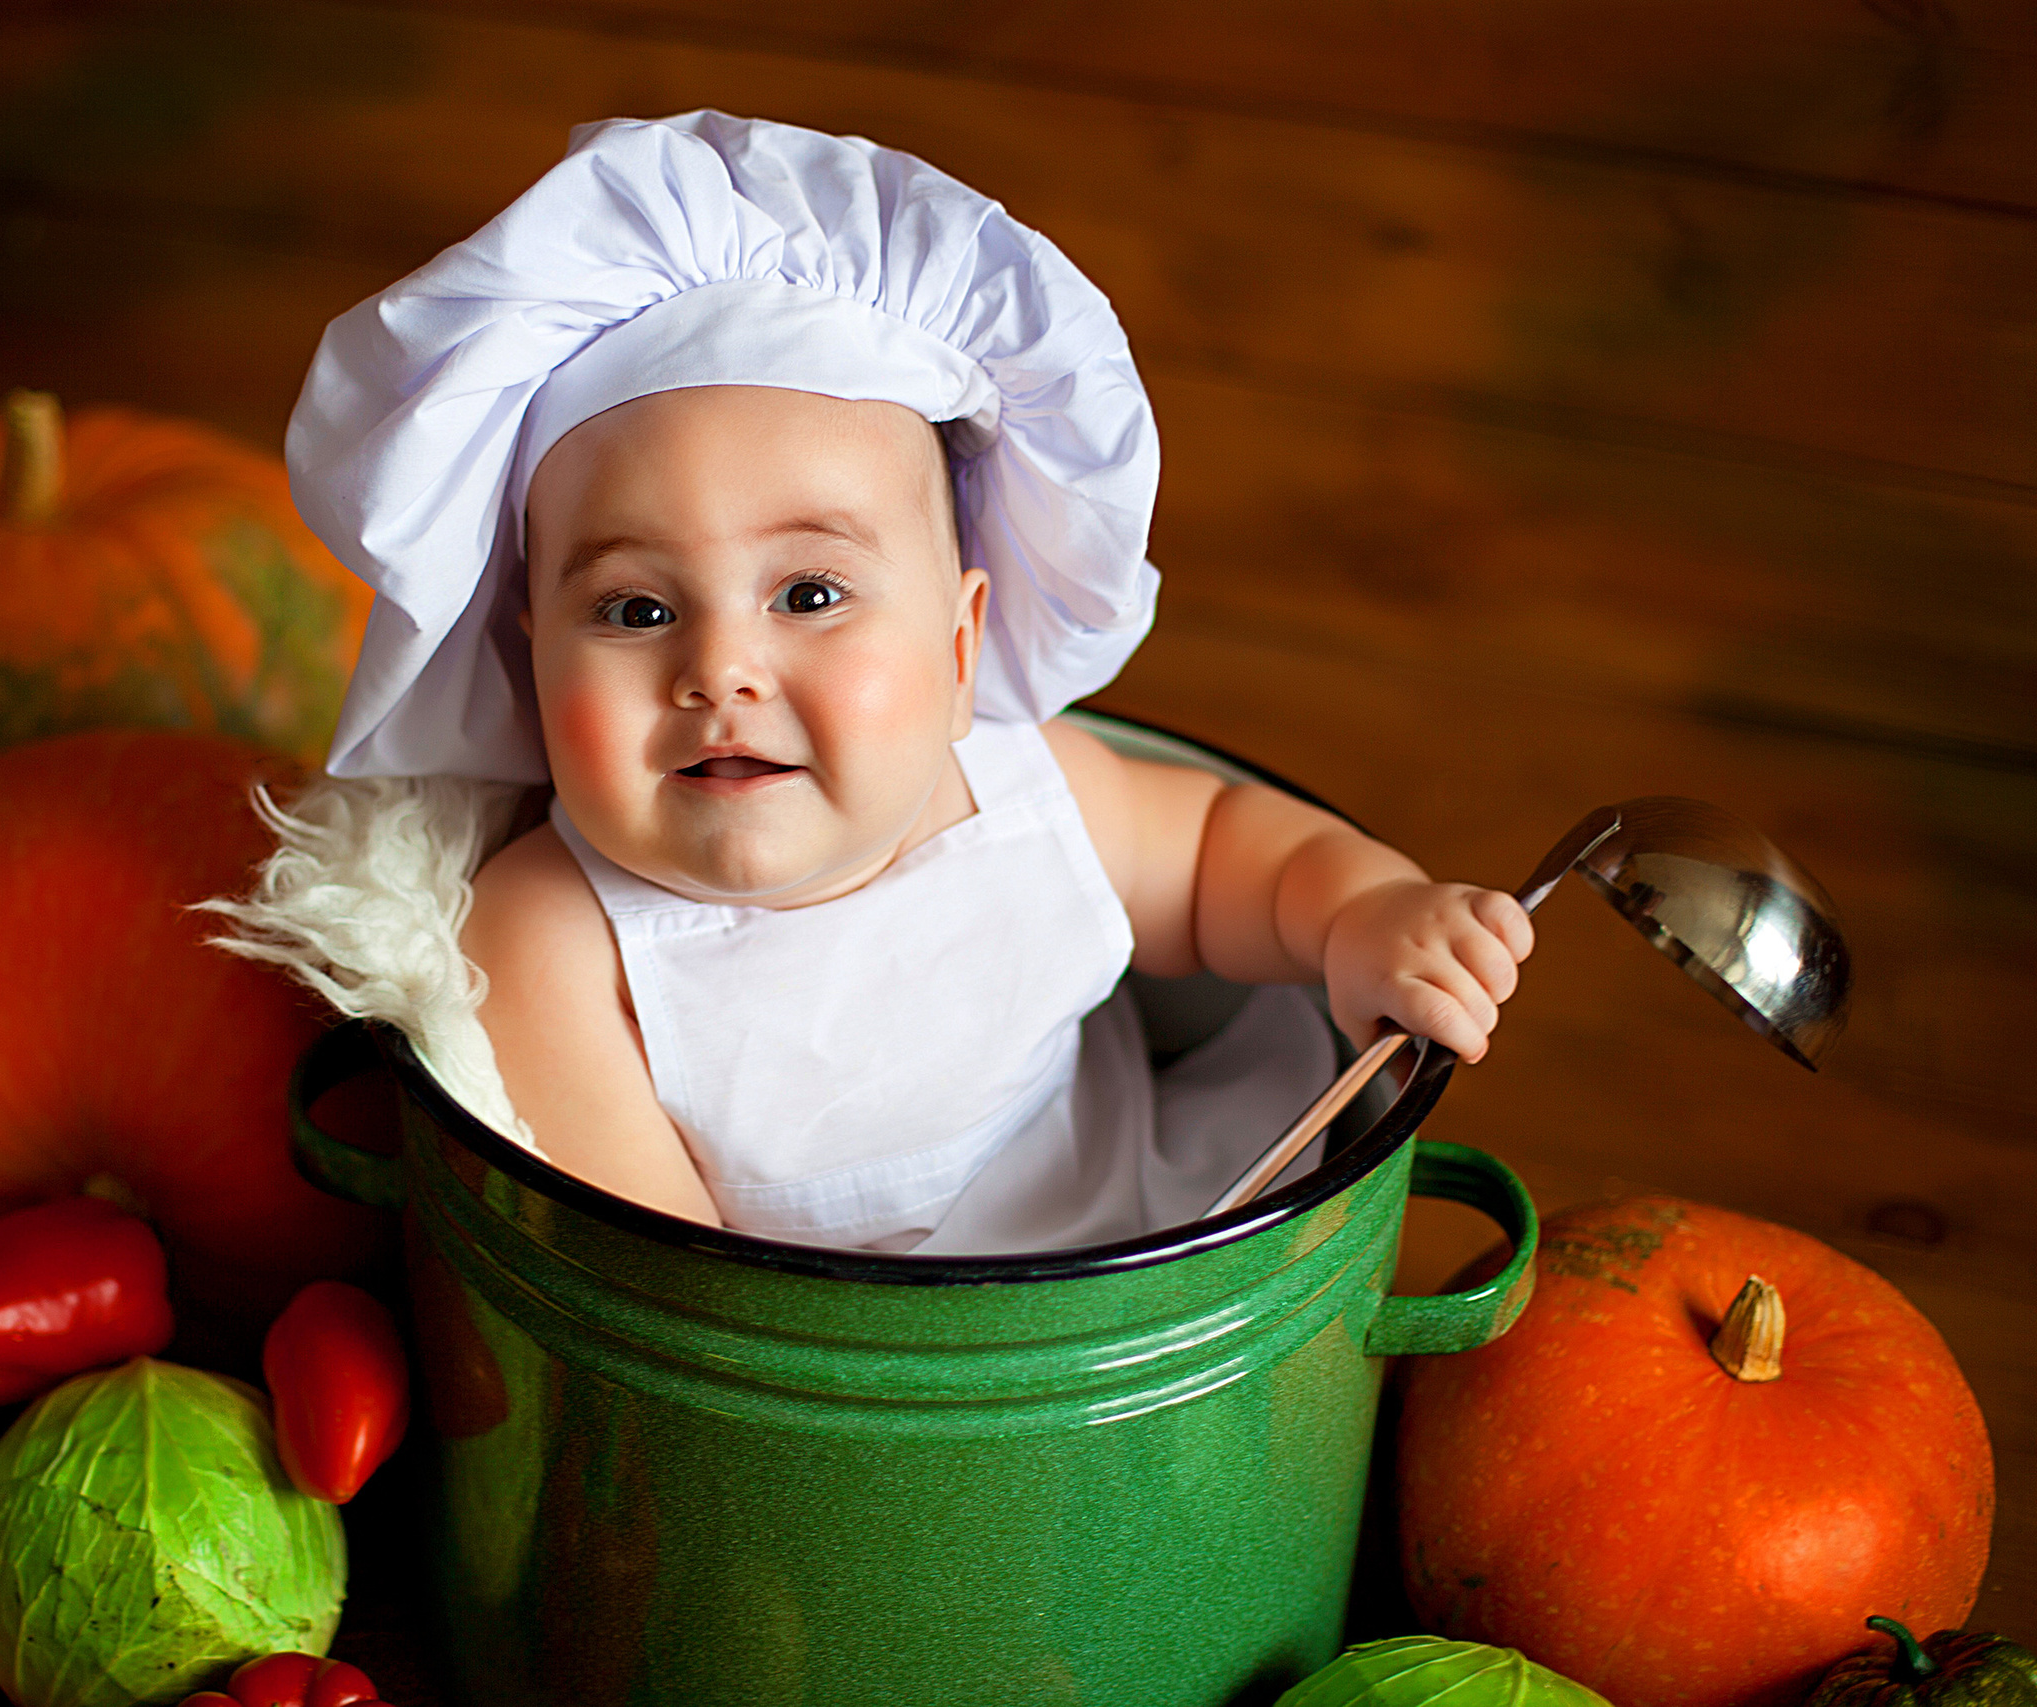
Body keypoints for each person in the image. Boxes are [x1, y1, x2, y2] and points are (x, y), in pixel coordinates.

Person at [281, 112, 1531, 1255]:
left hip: (1164, 1246)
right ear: (529, 651)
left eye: (808, 595)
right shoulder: (552, 936)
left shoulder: (1029, 792)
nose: (718, 671)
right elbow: (668, 1296)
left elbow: (1223, 857)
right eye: (635, 610)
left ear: (959, 647)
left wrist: (1363, 913)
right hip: (835, 1387)